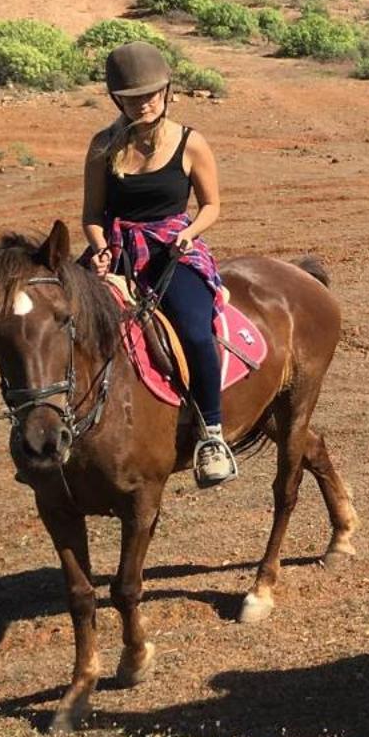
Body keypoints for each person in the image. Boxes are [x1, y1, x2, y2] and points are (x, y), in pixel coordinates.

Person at [81, 41, 237, 486]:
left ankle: (211, 436)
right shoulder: (101, 147)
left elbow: (211, 205)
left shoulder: (191, 143)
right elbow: (92, 214)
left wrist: (189, 234)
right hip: (115, 250)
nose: (144, 103)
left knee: (193, 328)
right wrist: (98, 248)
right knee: (60, 318)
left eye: (151, 94)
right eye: (132, 97)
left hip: (172, 248)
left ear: (168, 92)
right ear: (117, 100)